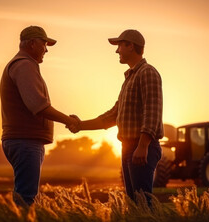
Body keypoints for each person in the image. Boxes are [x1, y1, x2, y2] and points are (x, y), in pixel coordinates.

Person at [69, 29, 164, 206]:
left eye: (120, 45)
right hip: (129, 146)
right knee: (134, 203)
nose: (117, 50)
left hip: (141, 146)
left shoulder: (147, 73)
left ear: (131, 46)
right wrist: (80, 125)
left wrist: (143, 146)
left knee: (142, 204)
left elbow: (153, 112)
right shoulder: (129, 78)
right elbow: (112, 116)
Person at [0, 26, 79, 206]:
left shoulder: (22, 64)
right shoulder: (25, 65)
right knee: (26, 200)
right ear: (32, 43)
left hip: (23, 140)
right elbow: (38, 106)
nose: (46, 49)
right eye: (44, 43)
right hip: (25, 141)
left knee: (24, 196)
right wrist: (69, 121)